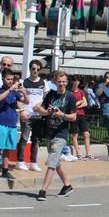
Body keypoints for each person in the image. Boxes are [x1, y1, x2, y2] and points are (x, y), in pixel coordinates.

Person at [35, 70, 77, 201]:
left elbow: (74, 117)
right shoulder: (51, 95)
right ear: (55, 81)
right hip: (49, 132)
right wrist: (48, 112)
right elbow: (40, 109)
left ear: (66, 82)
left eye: (64, 82)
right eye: (59, 82)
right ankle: (67, 185)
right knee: (56, 161)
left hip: (61, 133)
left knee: (51, 162)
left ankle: (43, 190)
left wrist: (62, 115)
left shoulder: (70, 97)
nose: (61, 84)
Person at [15, 59, 48, 172]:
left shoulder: (43, 83)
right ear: (30, 69)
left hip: (37, 115)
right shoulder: (23, 82)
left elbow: (47, 98)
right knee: (24, 138)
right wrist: (22, 110)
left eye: (38, 69)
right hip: (27, 114)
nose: (35, 71)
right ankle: (20, 161)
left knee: (36, 140)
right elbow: (17, 98)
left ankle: (33, 162)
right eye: (33, 69)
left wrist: (40, 104)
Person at [0, 69, 28, 180]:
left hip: (11, 125)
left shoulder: (14, 92)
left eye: (11, 79)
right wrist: (9, 89)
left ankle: (5, 171)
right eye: (8, 79)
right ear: (3, 78)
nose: (10, 81)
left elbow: (26, 102)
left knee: (7, 148)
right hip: (1, 123)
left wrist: (24, 92)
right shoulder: (2, 90)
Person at [69, 75, 95, 160]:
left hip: (81, 114)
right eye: (75, 81)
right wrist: (79, 102)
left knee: (86, 134)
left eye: (77, 81)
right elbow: (70, 106)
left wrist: (78, 104)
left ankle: (88, 153)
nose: (76, 82)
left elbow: (85, 103)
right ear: (72, 82)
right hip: (74, 115)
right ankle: (78, 153)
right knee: (74, 134)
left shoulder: (81, 92)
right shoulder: (69, 93)